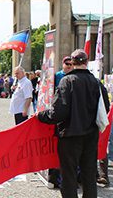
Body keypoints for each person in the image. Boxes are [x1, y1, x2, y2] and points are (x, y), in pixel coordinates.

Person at [37, 49, 110, 198]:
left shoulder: (67, 81)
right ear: (86, 62)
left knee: (69, 175)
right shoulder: (96, 82)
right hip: (91, 135)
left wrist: (40, 116)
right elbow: (106, 107)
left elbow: (58, 112)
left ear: (73, 62)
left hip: (70, 135)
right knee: (89, 175)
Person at [48, 56, 73, 188]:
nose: (69, 65)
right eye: (66, 63)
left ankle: (68, 179)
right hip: (58, 112)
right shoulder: (56, 76)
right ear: (62, 64)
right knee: (56, 148)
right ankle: (54, 178)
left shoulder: (75, 76)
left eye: (71, 63)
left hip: (72, 116)